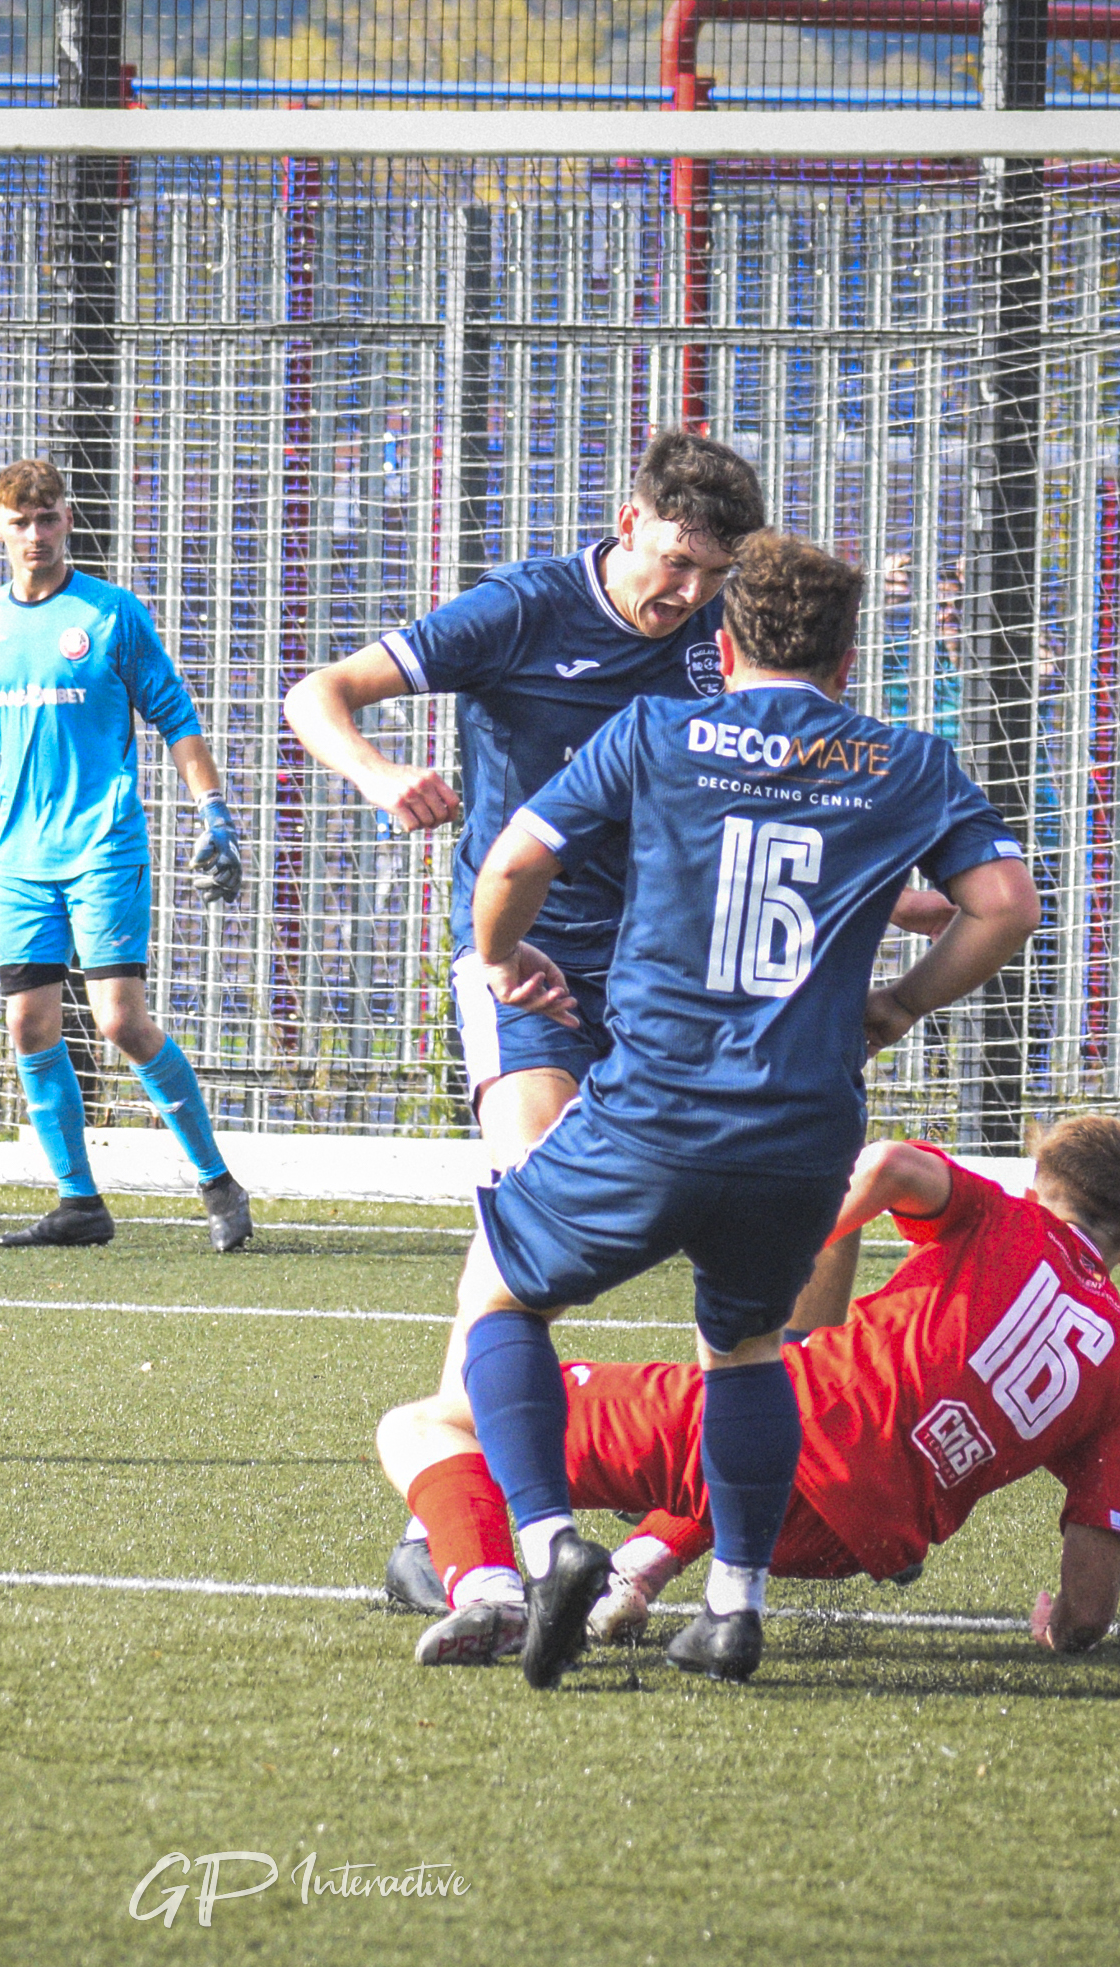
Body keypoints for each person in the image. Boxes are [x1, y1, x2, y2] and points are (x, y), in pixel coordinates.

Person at [437, 529, 1040, 1688]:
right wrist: (901, 1005)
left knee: (502, 1292)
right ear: (849, 661)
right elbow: (1006, 903)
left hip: (652, 1110)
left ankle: (551, 1542)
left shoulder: (660, 728)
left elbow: (512, 859)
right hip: (801, 1130)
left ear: (722, 647)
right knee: (748, 1347)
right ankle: (732, 1602)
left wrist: (504, 962)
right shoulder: (906, 760)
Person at [376, 1117, 1120, 1669]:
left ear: (1039, 1186)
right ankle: (638, 1569)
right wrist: (1060, 1628)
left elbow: (887, 1164)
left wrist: (783, 1251)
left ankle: (494, 1592)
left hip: (783, 1437)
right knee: (771, 1406)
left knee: (434, 1424)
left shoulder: (1006, 1219)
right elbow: (1092, 1604)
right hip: (846, 1549)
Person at [282, 430, 763, 1178]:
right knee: (540, 1176)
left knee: (746, 1196)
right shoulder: (522, 609)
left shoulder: (728, 631)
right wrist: (380, 775)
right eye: (677, 563)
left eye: (714, 572)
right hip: (526, 953)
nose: (692, 593)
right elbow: (317, 694)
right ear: (631, 525)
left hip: (668, 953)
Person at [0, 458, 254, 1252]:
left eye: (48, 517)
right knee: (28, 1024)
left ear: (67, 521)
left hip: (103, 844)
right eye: (20, 521)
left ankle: (217, 1181)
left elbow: (176, 717)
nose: (36, 534)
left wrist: (214, 812)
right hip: (19, 858)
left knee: (120, 1021)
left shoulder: (112, 615)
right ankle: (79, 1203)